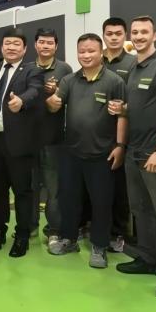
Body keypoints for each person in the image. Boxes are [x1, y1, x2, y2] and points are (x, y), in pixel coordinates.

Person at [112, 16, 156, 298]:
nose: (139, 36)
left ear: (155, 35)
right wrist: (122, 109)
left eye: (144, 32)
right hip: (135, 152)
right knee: (141, 210)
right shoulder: (133, 67)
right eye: (135, 32)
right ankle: (148, 258)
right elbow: (139, 108)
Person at [46, 33, 126, 269]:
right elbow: (53, 105)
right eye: (82, 51)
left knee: (101, 202)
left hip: (102, 153)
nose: (86, 55)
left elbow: (123, 116)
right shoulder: (69, 80)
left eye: (91, 51)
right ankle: (69, 239)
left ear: (101, 53)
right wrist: (51, 102)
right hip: (71, 152)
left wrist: (120, 146)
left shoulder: (114, 82)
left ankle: (99, 246)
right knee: (69, 199)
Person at [0, 27, 43, 258]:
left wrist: (21, 101)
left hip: (19, 142)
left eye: (16, 44)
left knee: (22, 192)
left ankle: (22, 236)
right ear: (1, 47)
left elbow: (35, 91)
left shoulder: (32, 71)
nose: (11, 47)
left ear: (25, 49)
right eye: (7, 43)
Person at [31, 28, 72, 251]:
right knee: (30, 186)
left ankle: (54, 231)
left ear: (56, 46)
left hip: (54, 139)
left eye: (49, 43)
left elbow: (68, 99)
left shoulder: (64, 69)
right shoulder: (28, 68)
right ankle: (29, 226)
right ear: (35, 45)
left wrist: (56, 92)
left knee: (53, 189)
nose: (45, 46)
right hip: (29, 139)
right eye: (41, 42)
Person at [102, 16, 138, 252]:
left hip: (125, 136)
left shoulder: (134, 63)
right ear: (103, 35)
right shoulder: (95, 59)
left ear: (125, 36)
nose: (114, 38)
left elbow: (141, 99)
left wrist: (125, 108)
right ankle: (97, 227)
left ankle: (118, 233)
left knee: (120, 188)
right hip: (98, 134)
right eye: (109, 33)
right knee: (98, 186)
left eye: (118, 34)